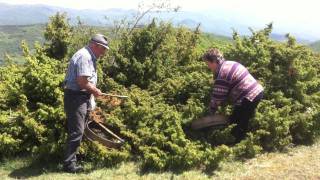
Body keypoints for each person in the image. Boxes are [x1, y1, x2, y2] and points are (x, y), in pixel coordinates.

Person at [63, 34, 109, 173]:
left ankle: (73, 159)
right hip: (76, 97)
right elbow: (82, 82)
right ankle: (69, 165)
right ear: (95, 45)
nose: (104, 53)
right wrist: (95, 91)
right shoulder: (85, 56)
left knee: (79, 130)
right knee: (77, 131)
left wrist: (92, 93)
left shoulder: (87, 55)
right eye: (103, 49)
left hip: (80, 97)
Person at [202, 48, 264, 143]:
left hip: (248, 97)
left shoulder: (222, 74)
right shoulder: (231, 63)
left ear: (214, 61)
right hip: (257, 91)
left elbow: (217, 98)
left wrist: (210, 112)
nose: (208, 67)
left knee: (237, 123)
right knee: (239, 119)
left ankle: (238, 145)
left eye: (208, 63)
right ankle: (239, 142)